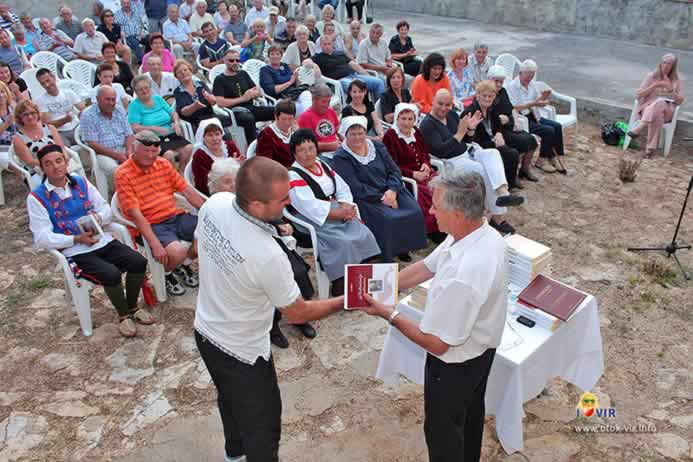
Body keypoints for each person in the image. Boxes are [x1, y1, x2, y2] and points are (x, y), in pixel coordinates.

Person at [194, 155, 345, 462]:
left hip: (205, 330)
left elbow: (199, 247)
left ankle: (233, 455)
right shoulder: (268, 255)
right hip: (242, 350)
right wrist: (347, 300)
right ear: (256, 205)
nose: (288, 203)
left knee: (229, 399)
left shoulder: (215, 204)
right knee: (262, 426)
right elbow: (298, 313)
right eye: (282, 199)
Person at [357, 169, 507, 462]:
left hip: (454, 365)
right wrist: (387, 285)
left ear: (459, 213)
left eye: (436, 206)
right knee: (470, 417)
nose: (429, 209)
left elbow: (437, 344)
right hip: (480, 351)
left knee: (443, 432)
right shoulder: (478, 233)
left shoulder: (465, 274)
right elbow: (428, 265)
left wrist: (389, 314)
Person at [28, 144, 152, 338]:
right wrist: (75, 238)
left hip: (100, 240)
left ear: (66, 162)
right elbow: (42, 237)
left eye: (59, 161)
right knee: (110, 273)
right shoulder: (37, 197)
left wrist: (98, 218)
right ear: (42, 168)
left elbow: (105, 208)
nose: (55, 167)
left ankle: (133, 307)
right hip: (74, 250)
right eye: (48, 164)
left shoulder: (80, 182)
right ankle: (123, 316)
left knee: (138, 261)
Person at [288, 126, 380, 294]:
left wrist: (346, 204)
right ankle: (343, 286)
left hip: (336, 209)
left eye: (311, 148)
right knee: (343, 242)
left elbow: (341, 186)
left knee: (364, 233)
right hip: (311, 218)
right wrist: (340, 213)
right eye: (302, 150)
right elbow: (307, 205)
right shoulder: (293, 175)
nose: (308, 153)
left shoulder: (321, 164)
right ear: (295, 154)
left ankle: (365, 279)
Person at [419, 89, 524, 235]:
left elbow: (466, 140)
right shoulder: (427, 125)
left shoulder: (452, 115)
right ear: (433, 102)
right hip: (451, 161)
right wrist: (461, 133)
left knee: (492, 153)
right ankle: (496, 217)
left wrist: (470, 131)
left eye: (447, 105)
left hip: (467, 151)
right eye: (440, 104)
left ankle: (502, 193)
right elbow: (441, 151)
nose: (444, 108)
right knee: (479, 169)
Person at [115, 130, 205, 295]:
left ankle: (181, 264)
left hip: (174, 216)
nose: (151, 156)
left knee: (208, 233)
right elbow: (136, 215)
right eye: (146, 151)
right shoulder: (123, 173)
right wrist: (155, 244)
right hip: (151, 224)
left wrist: (210, 211)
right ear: (135, 149)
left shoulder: (163, 163)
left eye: (154, 151)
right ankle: (166, 273)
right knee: (177, 251)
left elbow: (187, 191)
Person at [333, 116, 427, 262]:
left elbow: (394, 170)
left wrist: (393, 191)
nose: (358, 137)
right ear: (345, 135)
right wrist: (382, 198)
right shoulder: (342, 156)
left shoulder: (377, 146)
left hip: (391, 189)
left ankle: (403, 247)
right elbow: (355, 186)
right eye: (353, 134)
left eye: (361, 133)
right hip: (367, 198)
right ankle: (386, 253)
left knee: (414, 211)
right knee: (387, 218)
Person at [383, 103, 445, 243]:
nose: (406, 122)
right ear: (397, 118)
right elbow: (392, 165)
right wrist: (413, 174)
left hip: (423, 173)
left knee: (442, 188)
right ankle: (431, 230)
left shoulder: (416, 131)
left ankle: (442, 224)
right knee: (426, 193)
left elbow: (424, 152)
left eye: (410, 119)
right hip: (406, 178)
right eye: (403, 118)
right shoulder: (391, 136)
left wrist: (426, 165)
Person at [505, 59, 566, 174]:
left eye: (532, 76)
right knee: (548, 131)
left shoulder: (532, 84)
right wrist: (535, 103)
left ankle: (552, 156)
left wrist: (543, 98)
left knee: (556, 126)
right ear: (521, 73)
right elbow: (515, 108)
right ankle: (541, 160)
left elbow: (535, 101)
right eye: (527, 77)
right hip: (523, 118)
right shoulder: (512, 87)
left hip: (534, 114)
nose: (529, 80)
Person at [462, 80, 522, 191]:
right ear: (478, 96)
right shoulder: (471, 111)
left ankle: (510, 183)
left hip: (492, 140)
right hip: (477, 145)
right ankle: (505, 186)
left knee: (513, 150)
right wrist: (493, 142)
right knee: (511, 154)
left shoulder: (491, 109)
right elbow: (468, 138)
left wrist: (499, 133)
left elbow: (498, 123)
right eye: (484, 96)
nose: (487, 99)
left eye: (490, 96)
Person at [128, 74, 193, 171]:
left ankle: (181, 172)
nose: (144, 91)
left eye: (146, 87)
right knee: (169, 154)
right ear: (136, 92)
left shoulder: (158, 99)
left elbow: (173, 113)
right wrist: (154, 128)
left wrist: (176, 123)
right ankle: (170, 178)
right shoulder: (134, 105)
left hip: (170, 134)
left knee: (189, 148)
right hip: (152, 139)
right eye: (140, 89)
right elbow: (135, 127)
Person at [627, 53, 684, 158]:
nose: (666, 66)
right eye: (664, 62)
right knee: (658, 110)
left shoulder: (676, 81)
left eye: (669, 64)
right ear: (660, 63)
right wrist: (655, 85)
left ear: (673, 66)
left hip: (667, 112)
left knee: (660, 103)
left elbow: (680, 101)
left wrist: (671, 90)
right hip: (647, 110)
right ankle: (650, 150)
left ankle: (640, 127)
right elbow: (639, 95)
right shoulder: (651, 76)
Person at [212, 48, 275, 144]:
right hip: (235, 111)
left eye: (237, 60)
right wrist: (243, 98)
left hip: (251, 107)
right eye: (231, 60)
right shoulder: (220, 79)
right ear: (224, 61)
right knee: (248, 119)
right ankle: (253, 149)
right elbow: (220, 102)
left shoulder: (243, 73)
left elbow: (256, 90)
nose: (235, 63)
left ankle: (277, 140)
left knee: (277, 111)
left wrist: (255, 93)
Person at [487, 65, 538, 182]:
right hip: (497, 130)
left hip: (508, 126)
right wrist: (499, 119)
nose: (499, 84)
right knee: (521, 143)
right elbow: (487, 117)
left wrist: (514, 121)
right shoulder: (487, 94)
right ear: (489, 80)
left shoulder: (503, 91)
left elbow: (511, 108)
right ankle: (512, 174)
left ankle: (525, 169)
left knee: (531, 139)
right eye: (496, 81)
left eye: (501, 81)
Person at [80, 85, 134, 192]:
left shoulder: (119, 109)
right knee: (116, 171)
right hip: (103, 153)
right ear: (98, 99)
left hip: (123, 147)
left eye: (113, 99)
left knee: (144, 156)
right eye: (107, 99)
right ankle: (122, 197)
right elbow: (92, 143)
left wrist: (129, 151)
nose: (111, 103)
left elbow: (129, 134)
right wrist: (117, 155)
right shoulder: (88, 115)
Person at [306, 35, 385, 100]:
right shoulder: (318, 57)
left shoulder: (340, 53)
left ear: (332, 44)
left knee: (379, 83)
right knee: (356, 89)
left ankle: (379, 109)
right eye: (325, 44)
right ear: (321, 45)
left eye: (329, 44)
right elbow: (305, 62)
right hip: (340, 81)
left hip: (354, 75)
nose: (327, 46)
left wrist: (365, 73)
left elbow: (353, 64)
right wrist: (314, 65)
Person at [12, 100, 71, 182]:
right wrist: (51, 165)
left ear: (37, 113)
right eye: (25, 115)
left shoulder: (50, 128)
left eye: (32, 113)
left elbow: (61, 148)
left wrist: (63, 160)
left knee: (73, 178)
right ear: (20, 118)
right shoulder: (17, 138)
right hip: (36, 170)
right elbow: (30, 162)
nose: (30, 117)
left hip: (58, 164)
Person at [173, 59, 230, 132]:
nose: (183, 73)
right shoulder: (178, 91)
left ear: (190, 71)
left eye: (185, 70)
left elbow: (213, 102)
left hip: (209, 116)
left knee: (227, 122)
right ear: (176, 77)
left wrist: (210, 98)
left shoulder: (201, 84)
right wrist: (195, 106)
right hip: (194, 121)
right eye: (179, 72)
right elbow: (183, 112)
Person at [190, 118, 243, 196]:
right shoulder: (200, 155)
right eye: (210, 135)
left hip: (235, 186)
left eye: (217, 134)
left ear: (222, 135)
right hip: (213, 193)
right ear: (203, 137)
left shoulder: (229, 146)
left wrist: (239, 165)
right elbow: (202, 183)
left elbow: (241, 171)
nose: (215, 139)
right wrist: (230, 165)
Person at [35, 68, 84, 146]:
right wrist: (64, 120)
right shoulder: (41, 100)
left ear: (53, 77)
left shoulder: (68, 93)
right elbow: (47, 125)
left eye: (48, 81)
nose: (46, 85)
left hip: (76, 127)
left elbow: (84, 109)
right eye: (43, 83)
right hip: (59, 132)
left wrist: (82, 115)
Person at [260, 45, 311, 114]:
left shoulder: (284, 66)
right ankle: (305, 120)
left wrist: (297, 78)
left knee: (307, 94)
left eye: (277, 54)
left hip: (292, 94)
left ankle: (307, 119)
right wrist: (289, 82)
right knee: (300, 107)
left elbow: (295, 83)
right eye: (272, 54)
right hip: (280, 98)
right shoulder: (265, 70)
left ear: (281, 56)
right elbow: (272, 90)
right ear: (268, 56)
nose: (275, 56)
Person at [297, 83, 340, 154]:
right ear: (314, 100)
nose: (327, 105)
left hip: (336, 148)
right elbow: (308, 145)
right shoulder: (305, 117)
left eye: (328, 101)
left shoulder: (330, 111)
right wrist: (331, 146)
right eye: (323, 102)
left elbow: (337, 129)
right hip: (320, 154)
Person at [256, 98, 298, 168]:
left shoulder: (295, 131)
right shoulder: (266, 134)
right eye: (284, 119)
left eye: (290, 119)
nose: (287, 123)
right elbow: (264, 164)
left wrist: (298, 135)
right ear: (276, 117)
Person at [0, 81, 16, 148]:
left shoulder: (13, 107)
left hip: (16, 147)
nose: (0, 95)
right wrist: (6, 124)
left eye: (2, 92)